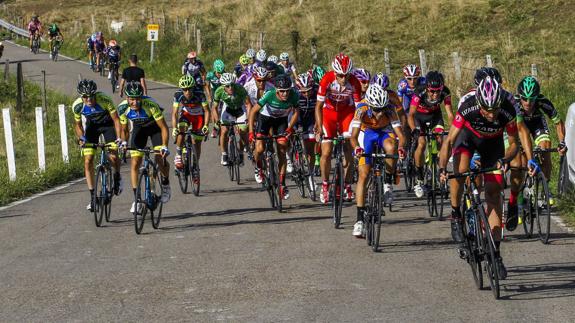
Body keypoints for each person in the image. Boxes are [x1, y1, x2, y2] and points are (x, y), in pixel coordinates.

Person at [439, 76, 520, 279]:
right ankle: (456, 214)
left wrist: (506, 158)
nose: (491, 115)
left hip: (493, 147)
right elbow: (449, 141)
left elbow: (513, 144)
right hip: (468, 141)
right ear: (479, 103)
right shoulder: (468, 106)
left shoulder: (507, 110)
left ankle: (496, 254)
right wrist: (442, 168)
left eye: (495, 110)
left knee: (494, 195)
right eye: (487, 110)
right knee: (460, 172)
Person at [507, 76, 568, 226]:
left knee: (545, 147)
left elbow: (558, 122)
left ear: (537, 97)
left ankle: (543, 187)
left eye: (532, 99)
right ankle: (520, 199)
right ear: (519, 96)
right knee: (520, 163)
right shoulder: (514, 104)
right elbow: (521, 132)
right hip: (519, 128)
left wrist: (561, 142)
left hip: (537, 124)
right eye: (525, 99)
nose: (528, 103)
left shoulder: (543, 102)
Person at [351, 84, 405, 237]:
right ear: (369, 105)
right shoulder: (361, 109)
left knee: (392, 146)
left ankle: (387, 180)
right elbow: (353, 137)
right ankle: (359, 220)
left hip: (382, 132)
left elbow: (400, 135)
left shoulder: (388, 109)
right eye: (376, 110)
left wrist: (401, 148)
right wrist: (356, 149)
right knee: (364, 174)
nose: (380, 113)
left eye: (382, 109)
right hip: (365, 133)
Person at [314, 53, 363, 204]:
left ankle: (347, 185)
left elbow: (359, 107)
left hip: (346, 114)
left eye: (346, 75)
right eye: (340, 75)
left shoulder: (354, 82)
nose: (344, 79)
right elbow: (318, 106)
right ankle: (324, 185)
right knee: (327, 151)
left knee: (350, 146)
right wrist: (319, 127)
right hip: (328, 114)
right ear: (335, 73)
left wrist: (359, 126)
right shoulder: (327, 79)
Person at [118, 82, 171, 212]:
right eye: (131, 99)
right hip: (139, 129)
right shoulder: (122, 108)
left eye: (137, 99)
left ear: (141, 97)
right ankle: (136, 199)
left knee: (159, 158)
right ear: (127, 98)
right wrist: (124, 142)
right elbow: (124, 130)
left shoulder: (150, 105)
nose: (134, 102)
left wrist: (164, 146)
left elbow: (164, 127)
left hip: (154, 128)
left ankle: (165, 184)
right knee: (135, 162)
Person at [72, 80, 123, 211]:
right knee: (88, 160)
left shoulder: (104, 99)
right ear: (81, 97)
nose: (89, 99)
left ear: (95, 94)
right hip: (92, 128)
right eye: (85, 97)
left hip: (107, 125)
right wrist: (82, 138)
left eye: (91, 96)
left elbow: (116, 120)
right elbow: (78, 125)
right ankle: (93, 197)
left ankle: (117, 175)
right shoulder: (77, 106)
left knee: (113, 155)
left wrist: (118, 138)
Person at [249, 74, 299, 200]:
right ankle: (258, 167)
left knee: (282, 148)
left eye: (287, 91)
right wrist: (251, 133)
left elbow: (296, 113)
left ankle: (282, 183)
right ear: (276, 90)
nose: (285, 94)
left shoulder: (293, 95)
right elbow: (253, 112)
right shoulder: (269, 94)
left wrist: (290, 128)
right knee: (259, 149)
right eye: (282, 91)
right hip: (265, 119)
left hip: (281, 121)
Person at [408, 71, 453, 198]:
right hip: (419, 118)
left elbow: (449, 114)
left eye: (438, 91)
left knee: (441, 141)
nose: (435, 94)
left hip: (435, 117)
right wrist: (413, 130)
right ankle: (420, 178)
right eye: (432, 91)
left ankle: (440, 171)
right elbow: (410, 114)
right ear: (427, 88)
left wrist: (454, 131)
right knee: (421, 144)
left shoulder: (445, 92)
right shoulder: (419, 91)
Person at [213, 73, 252, 166]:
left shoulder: (240, 89)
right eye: (227, 86)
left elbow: (248, 104)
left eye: (232, 85)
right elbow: (214, 108)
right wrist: (217, 120)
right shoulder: (219, 91)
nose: (230, 87)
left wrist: (248, 118)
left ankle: (241, 153)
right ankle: (224, 154)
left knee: (243, 132)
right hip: (228, 110)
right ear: (223, 86)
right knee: (224, 131)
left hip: (240, 110)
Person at [172, 75, 210, 170]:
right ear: (182, 89)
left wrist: (206, 125)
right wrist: (174, 128)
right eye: (185, 89)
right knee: (181, 131)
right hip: (187, 114)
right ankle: (178, 155)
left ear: (193, 87)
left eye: (189, 89)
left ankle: (195, 164)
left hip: (199, 116)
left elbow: (207, 111)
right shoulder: (178, 95)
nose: (187, 92)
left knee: (197, 142)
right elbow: (174, 113)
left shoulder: (200, 94)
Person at [294, 72, 319, 175]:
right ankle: (294, 154)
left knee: (310, 148)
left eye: (309, 91)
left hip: (311, 118)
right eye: (303, 92)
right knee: (292, 135)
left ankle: (310, 171)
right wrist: (294, 126)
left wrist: (318, 124)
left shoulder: (317, 92)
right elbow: (292, 112)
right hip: (297, 117)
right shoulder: (294, 94)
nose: (307, 94)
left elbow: (320, 110)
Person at [206, 59, 226, 137]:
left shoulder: (225, 74)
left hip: (223, 93)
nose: (220, 74)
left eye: (221, 73)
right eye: (218, 73)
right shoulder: (210, 75)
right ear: (214, 70)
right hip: (214, 94)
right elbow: (206, 86)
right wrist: (209, 96)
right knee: (214, 108)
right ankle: (216, 126)